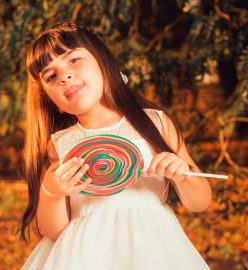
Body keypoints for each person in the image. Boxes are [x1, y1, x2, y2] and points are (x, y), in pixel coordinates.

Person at [20, 22, 211, 270]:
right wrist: (52, 192)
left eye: (74, 60)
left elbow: (200, 202)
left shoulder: (155, 123)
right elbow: (56, 232)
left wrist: (184, 174)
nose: (65, 76)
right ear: (52, 100)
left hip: (153, 251)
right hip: (85, 258)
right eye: (51, 76)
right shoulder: (60, 145)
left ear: (103, 62)